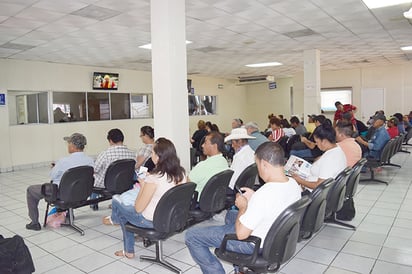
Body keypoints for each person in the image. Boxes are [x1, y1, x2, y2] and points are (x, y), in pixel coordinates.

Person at [185, 142, 302, 274]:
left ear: (264, 164)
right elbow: (274, 203)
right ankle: (241, 270)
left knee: (192, 236)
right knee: (230, 216)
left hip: (253, 243)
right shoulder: (293, 184)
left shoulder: (265, 194)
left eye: (257, 165)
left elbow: (241, 234)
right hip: (276, 238)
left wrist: (243, 207)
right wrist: (254, 195)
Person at [112, 138, 186, 259]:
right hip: (173, 218)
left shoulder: (153, 180)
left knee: (116, 200)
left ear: (158, 157)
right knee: (123, 210)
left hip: (151, 221)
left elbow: (138, 208)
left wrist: (143, 185)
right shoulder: (182, 174)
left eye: (152, 153)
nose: (151, 155)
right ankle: (116, 222)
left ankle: (125, 244)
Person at [25, 133, 94, 231]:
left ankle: (34, 223)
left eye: (68, 143)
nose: (68, 146)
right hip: (81, 193)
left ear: (73, 146)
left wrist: (55, 167)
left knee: (31, 190)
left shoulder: (64, 161)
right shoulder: (90, 161)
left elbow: (52, 176)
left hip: (61, 193)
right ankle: (68, 214)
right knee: (70, 184)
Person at [292, 122, 347, 191]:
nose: (316, 144)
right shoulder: (337, 149)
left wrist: (300, 181)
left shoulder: (330, 159)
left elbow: (320, 185)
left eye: (317, 142)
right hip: (313, 184)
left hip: (315, 195)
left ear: (324, 141)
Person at [91, 129, 136, 210]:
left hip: (106, 185)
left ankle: (93, 202)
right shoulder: (132, 154)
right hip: (125, 183)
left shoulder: (105, 154)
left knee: (94, 176)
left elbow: (95, 170)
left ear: (110, 141)